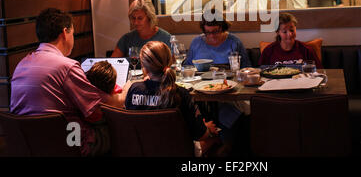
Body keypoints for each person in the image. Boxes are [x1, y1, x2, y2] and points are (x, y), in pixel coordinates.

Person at [10, 8, 109, 156]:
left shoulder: (21, 65)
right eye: (73, 33)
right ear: (65, 32)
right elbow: (94, 114)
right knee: (112, 130)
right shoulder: (67, 66)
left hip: (30, 146)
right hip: (68, 145)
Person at [125, 41, 220, 155]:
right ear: (170, 61)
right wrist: (207, 129)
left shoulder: (134, 89)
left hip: (142, 150)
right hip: (177, 151)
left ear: (144, 66)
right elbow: (200, 135)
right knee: (216, 137)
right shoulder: (181, 93)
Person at [184, 10, 251, 67]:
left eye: (215, 31)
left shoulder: (234, 42)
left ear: (222, 27)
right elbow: (187, 67)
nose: (212, 36)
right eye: (208, 32)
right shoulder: (196, 43)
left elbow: (246, 68)